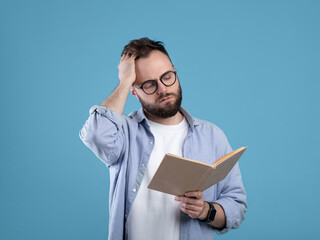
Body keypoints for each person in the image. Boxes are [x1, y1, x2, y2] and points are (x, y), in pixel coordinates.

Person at [79, 37, 247, 240]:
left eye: (167, 76)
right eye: (149, 84)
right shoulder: (124, 133)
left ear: (175, 71)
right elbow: (96, 134)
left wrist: (205, 211)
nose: (162, 89)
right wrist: (124, 81)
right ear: (133, 90)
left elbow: (236, 206)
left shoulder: (212, 136)